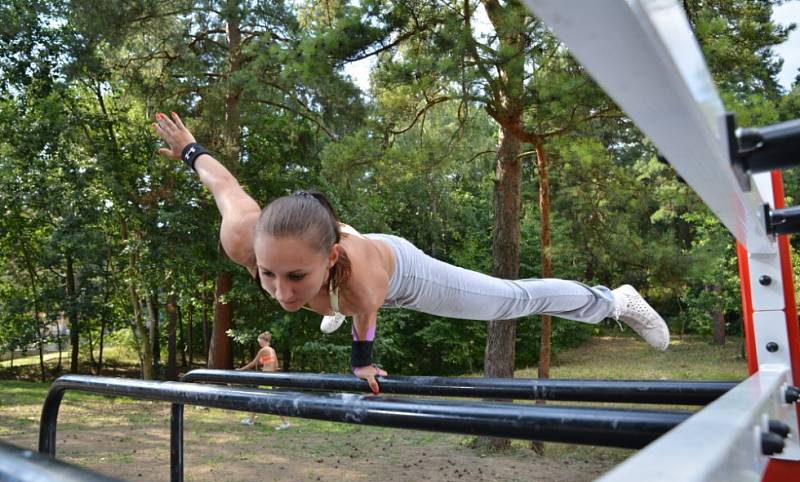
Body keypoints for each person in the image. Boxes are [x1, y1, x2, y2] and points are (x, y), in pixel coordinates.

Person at [153, 112, 670, 394]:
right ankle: (325, 305)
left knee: (507, 301)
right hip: (340, 269)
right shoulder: (242, 234)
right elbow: (223, 184)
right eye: (268, 274)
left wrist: (362, 361)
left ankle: (612, 300)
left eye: (295, 277)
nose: (279, 292)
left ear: (329, 258)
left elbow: (367, 317)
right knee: (322, 296)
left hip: (400, 275)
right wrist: (189, 150)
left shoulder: (358, 281)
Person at [238, 331, 290, 429]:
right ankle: (250, 420)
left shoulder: (263, 350)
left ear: (263, 340)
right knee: (258, 398)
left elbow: (253, 363)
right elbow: (277, 366)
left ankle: (285, 423)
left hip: (266, 378)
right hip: (271, 378)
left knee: (269, 401)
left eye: (259, 341)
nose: (259, 343)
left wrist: (241, 370)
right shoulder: (272, 350)